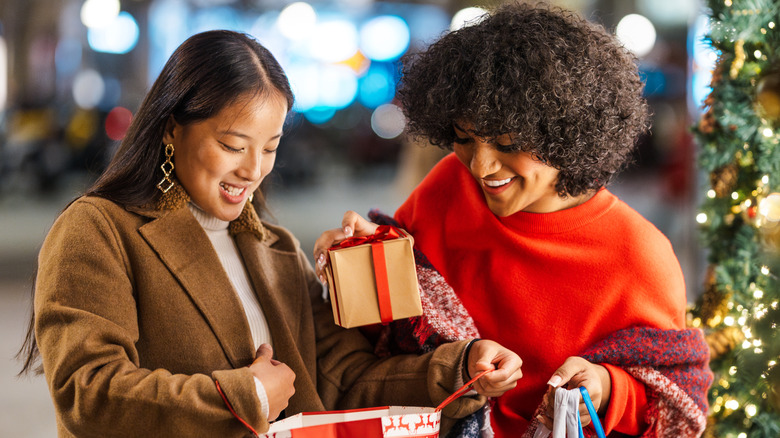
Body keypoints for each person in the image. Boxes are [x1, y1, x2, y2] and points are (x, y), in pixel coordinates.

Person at [17, 30, 523, 437]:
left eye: (270, 147)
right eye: (233, 145)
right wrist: (247, 396)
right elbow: (89, 394)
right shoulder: (99, 229)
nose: (253, 170)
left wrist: (459, 368)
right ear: (173, 127)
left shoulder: (273, 246)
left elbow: (342, 378)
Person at [314, 3, 712, 437]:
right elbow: (389, 335)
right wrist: (362, 262)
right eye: (465, 139)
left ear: (563, 131)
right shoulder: (450, 185)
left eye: (507, 144)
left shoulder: (639, 256)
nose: (481, 167)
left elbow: (676, 401)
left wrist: (607, 389)